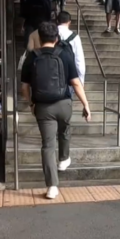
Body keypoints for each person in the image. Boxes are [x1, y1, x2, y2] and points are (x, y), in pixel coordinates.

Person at [21, 22, 92, 199]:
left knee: (47, 145)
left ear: (40, 37)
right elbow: (76, 83)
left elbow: (24, 87)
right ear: (56, 38)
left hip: (43, 108)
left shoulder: (32, 57)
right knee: (65, 129)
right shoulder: (65, 54)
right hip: (64, 104)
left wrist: (31, 103)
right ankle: (64, 158)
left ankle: (52, 186)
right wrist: (86, 105)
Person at [57, 11, 86, 87]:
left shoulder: (50, 35)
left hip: (51, 75)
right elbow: (79, 60)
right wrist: (81, 80)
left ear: (57, 21)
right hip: (69, 77)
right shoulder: (75, 37)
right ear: (69, 22)